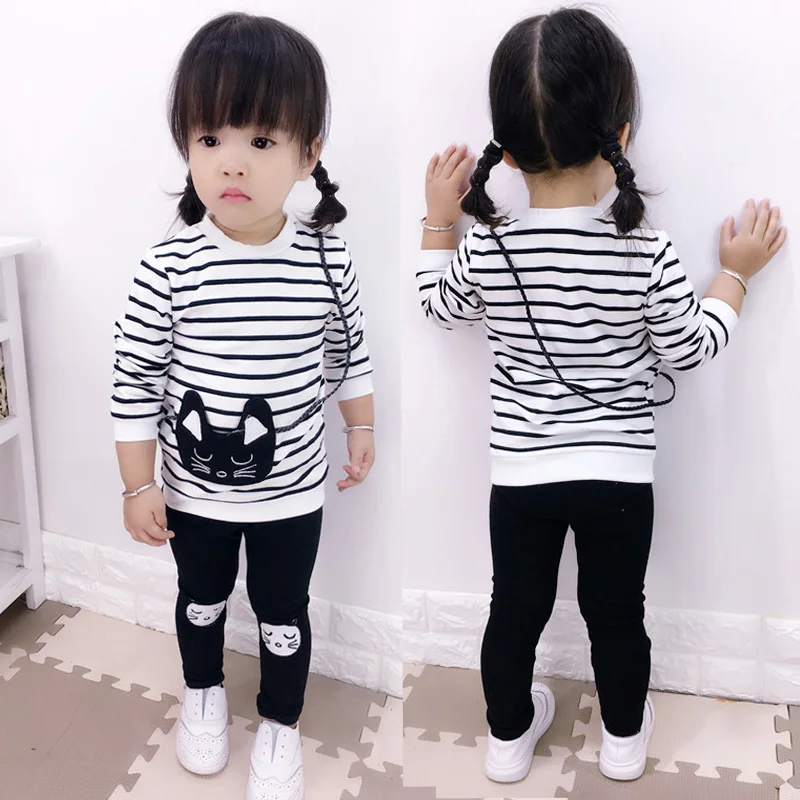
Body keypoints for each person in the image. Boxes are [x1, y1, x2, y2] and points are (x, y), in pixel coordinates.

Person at [417, 7, 785, 785]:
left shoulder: (491, 244)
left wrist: (439, 223)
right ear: (620, 134)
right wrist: (736, 273)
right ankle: (621, 739)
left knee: (514, 610)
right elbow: (691, 346)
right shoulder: (643, 247)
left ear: (506, 148)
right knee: (617, 613)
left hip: (522, 479)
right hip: (618, 479)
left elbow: (438, 307)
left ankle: (507, 740)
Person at [111, 13, 375, 800]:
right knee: (200, 599)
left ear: (308, 154)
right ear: (187, 147)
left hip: (292, 495)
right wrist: (138, 484)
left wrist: (361, 425)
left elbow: (349, 352)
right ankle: (202, 694)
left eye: (260, 140)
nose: (231, 160)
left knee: (282, 611)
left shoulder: (326, 256)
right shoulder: (168, 265)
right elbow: (134, 382)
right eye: (209, 137)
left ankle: (280, 724)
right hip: (195, 495)